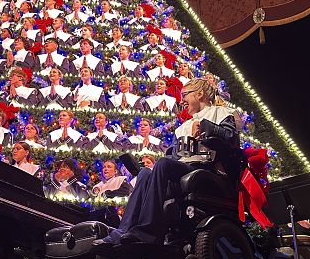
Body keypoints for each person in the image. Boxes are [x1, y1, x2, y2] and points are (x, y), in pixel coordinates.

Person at [94, 78, 240, 247]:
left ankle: (147, 232)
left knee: (162, 164)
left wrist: (205, 127)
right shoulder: (183, 127)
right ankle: (122, 232)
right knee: (144, 173)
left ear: (199, 94)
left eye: (185, 95)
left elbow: (230, 138)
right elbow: (174, 155)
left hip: (206, 168)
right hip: (183, 166)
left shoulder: (221, 113)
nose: (182, 100)